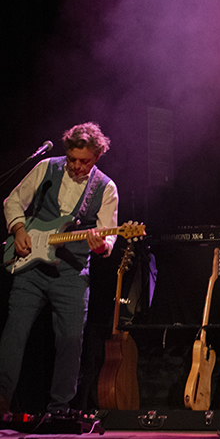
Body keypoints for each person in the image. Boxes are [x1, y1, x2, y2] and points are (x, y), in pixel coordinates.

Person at [0, 122, 118, 414]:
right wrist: (18, 230)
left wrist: (100, 245)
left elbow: (110, 234)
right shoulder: (45, 168)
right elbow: (13, 200)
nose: (77, 167)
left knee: (69, 339)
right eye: (72, 159)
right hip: (31, 268)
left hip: (72, 272)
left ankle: (60, 408)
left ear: (97, 157)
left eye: (84, 161)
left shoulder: (106, 188)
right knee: (14, 332)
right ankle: (1, 398)